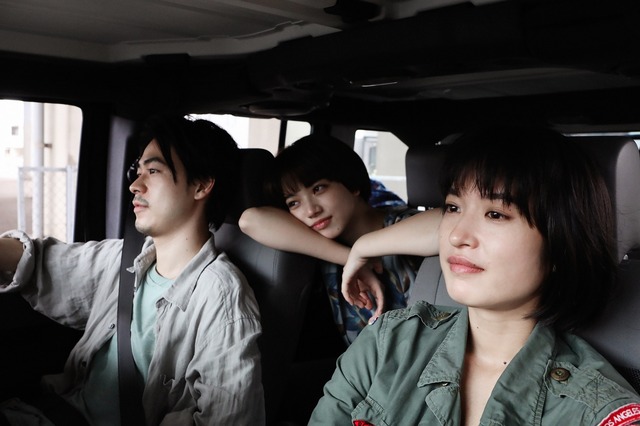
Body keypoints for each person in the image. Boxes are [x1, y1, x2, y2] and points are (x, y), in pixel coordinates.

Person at [309, 126, 640, 425]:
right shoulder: (387, 344)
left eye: (495, 214)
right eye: (453, 208)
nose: (456, 235)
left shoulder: (596, 411)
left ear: (561, 245)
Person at [0, 116, 265, 425]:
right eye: (137, 172)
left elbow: (227, 418)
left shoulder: (222, 296)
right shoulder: (123, 259)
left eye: (153, 171)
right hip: (55, 410)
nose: (135, 185)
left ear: (202, 185)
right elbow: (42, 264)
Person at [239, 134, 440, 344]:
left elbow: (449, 224)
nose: (311, 211)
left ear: (352, 184)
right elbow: (250, 220)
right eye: (293, 203)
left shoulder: (403, 224)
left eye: (318, 189)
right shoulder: (322, 244)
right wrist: (348, 257)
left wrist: (362, 249)